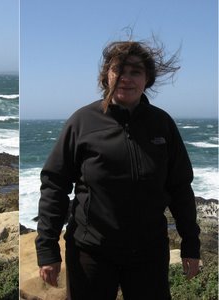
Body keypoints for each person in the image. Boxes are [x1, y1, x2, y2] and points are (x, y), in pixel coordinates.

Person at [35, 40, 200, 299]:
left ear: (147, 79)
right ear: (106, 76)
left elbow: (180, 188)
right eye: (118, 70)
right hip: (91, 252)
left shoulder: (162, 124)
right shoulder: (82, 122)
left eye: (135, 71)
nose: (126, 78)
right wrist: (47, 249)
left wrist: (191, 243)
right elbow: (54, 184)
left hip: (149, 252)